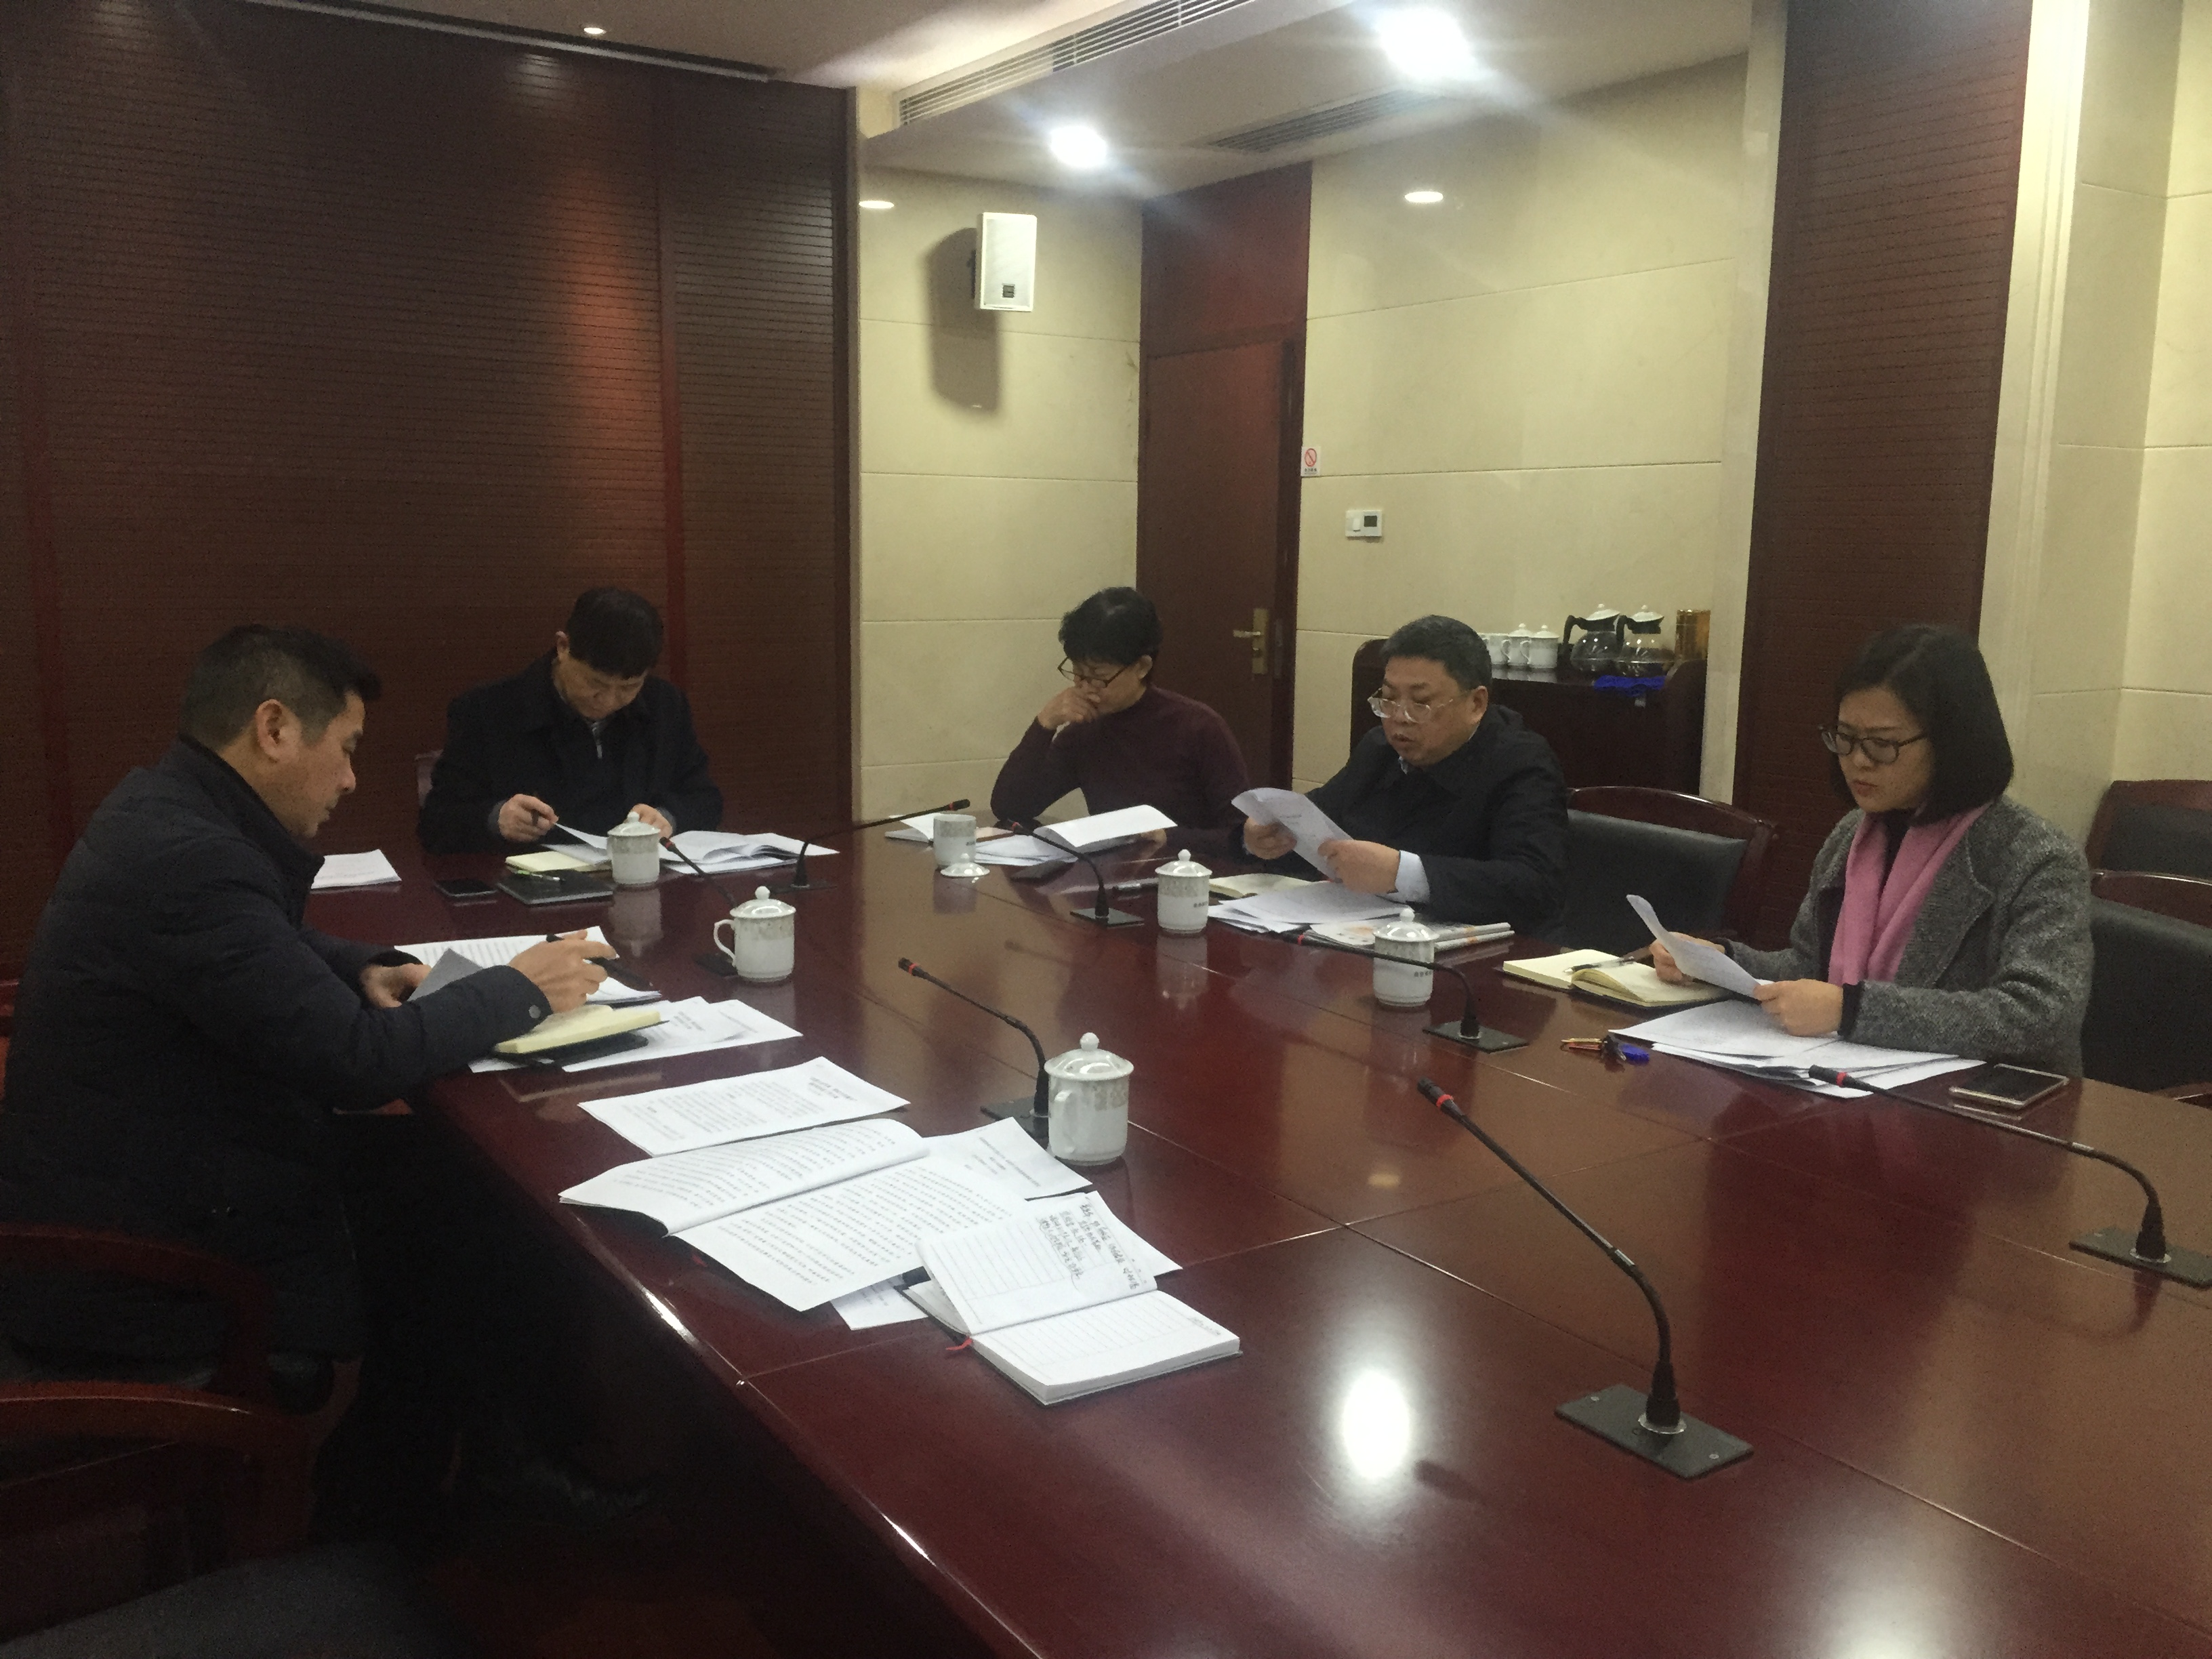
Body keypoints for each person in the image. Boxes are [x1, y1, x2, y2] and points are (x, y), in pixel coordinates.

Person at [0, 626, 611, 1370]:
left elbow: (266, 940)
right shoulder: (191, 860)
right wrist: (522, 987)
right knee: (474, 1234)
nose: (351, 779)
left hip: (155, 1186)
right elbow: (358, 1063)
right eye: (347, 748)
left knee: (447, 1198)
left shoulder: (166, 806)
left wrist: (362, 967)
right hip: (147, 1282)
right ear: (275, 729)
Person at [1654, 624, 2090, 1073]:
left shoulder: (2035, 857)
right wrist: (1722, 963)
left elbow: (2040, 1017)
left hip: (1980, 1100)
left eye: (1882, 744)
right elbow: (1811, 965)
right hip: (1851, 1078)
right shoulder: (1854, 835)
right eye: (1844, 738)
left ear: (1952, 742)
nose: (1858, 761)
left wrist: (1852, 1011)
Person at [1242, 615, 1567, 930]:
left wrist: (1403, 874)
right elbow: (1322, 823)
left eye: (1420, 702)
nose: (1399, 717)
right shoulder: (1379, 748)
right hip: (1362, 932)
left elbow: (1535, 887)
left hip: (1474, 952)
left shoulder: (1522, 764)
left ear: (1476, 704)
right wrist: (1267, 837)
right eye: (1389, 699)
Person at [418, 586, 720, 853]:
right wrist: (495, 818)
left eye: (629, 687)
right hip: (532, 886)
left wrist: (668, 817)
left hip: (641, 877)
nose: (608, 701)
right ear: (563, 647)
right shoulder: (488, 711)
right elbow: (437, 821)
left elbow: (704, 799)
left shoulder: (665, 706)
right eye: (595, 683)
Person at [990, 587, 1249, 831]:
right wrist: (1044, 724)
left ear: (1142, 667)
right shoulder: (1085, 730)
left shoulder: (1198, 728)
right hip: (1114, 862)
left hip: (1188, 862)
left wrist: (1170, 838)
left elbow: (1241, 837)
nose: (1085, 687)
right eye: (1078, 672)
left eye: (1098, 675)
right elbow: (1011, 808)